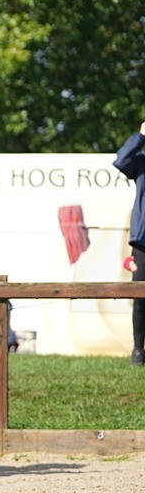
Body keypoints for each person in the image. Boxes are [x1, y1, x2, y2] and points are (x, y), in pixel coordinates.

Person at [113, 121, 145, 365]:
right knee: (140, 296)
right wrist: (140, 136)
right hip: (144, 242)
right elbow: (121, 160)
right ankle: (138, 350)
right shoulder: (142, 161)